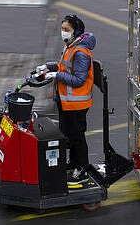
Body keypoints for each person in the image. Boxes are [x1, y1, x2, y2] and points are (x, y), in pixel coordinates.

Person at [38, 15, 96, 185]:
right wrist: (49, 66)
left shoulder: (81, 53)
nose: (63, 32)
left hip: (76, 103)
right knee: (68, 134)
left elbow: (79, 80)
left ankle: (83, 169)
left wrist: (56, 75)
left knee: (77, 136)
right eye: (62, 29)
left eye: (66, 30)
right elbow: (63, 66)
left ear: (76, 32)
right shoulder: (70, 46)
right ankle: (74, 163)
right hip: (66, 101)